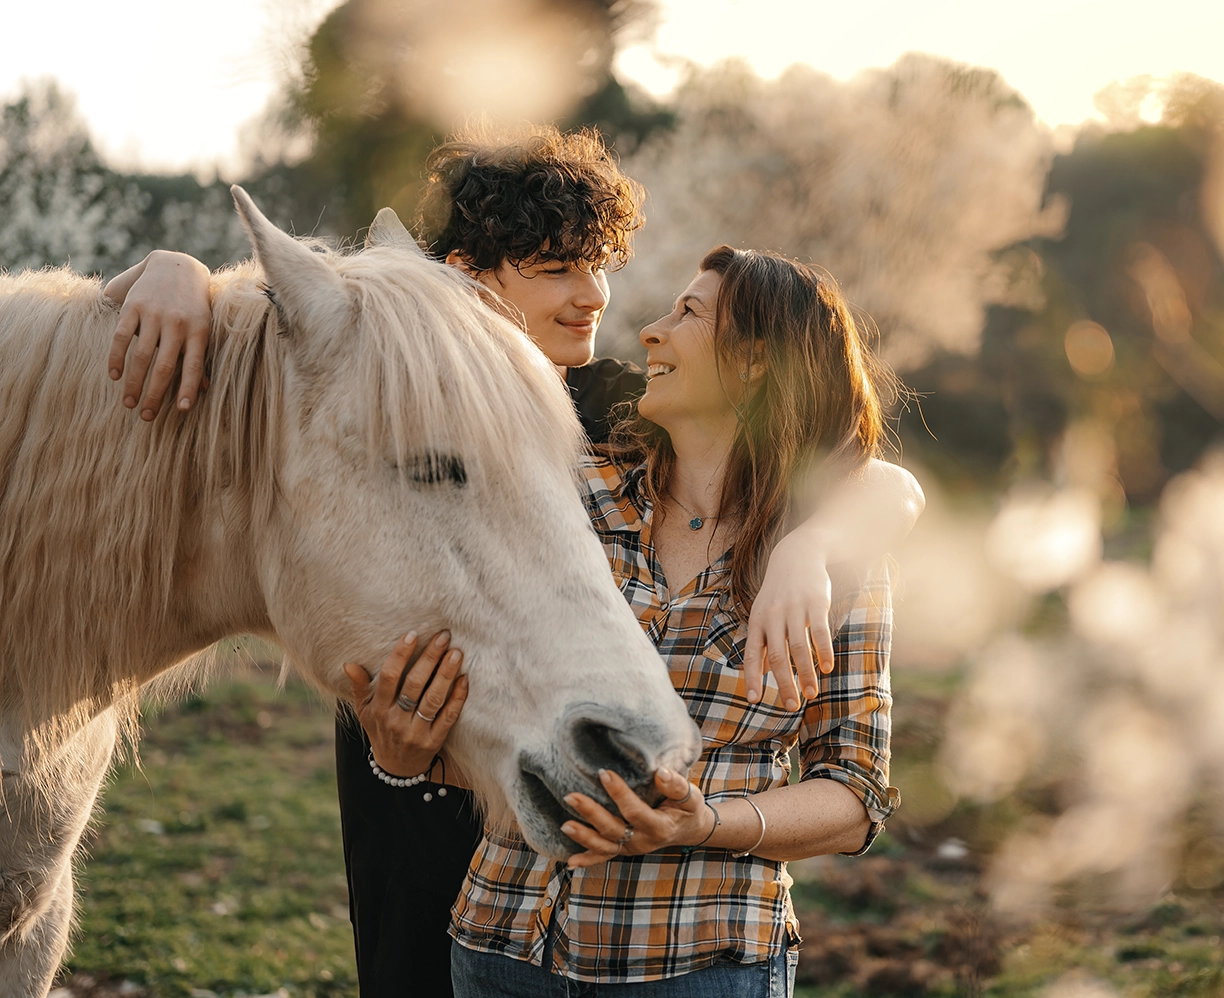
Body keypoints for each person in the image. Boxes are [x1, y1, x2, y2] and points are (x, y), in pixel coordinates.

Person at [101, 126, 923, 996]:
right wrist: (171, 270)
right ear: (459, 277)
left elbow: (873, 478)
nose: (600, 296)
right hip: (450, 867)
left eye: (598, 263)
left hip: (623, 901)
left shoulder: (609, 423)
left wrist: (814, 544)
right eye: (556, 266)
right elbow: (256, 355)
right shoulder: (400, 395)